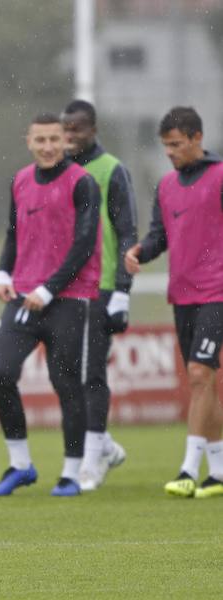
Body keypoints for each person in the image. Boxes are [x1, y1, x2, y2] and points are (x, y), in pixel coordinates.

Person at [0, 112, 101, 498]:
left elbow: (84, 245)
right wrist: (3, 274)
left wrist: (50, 289)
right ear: (29, 141)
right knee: (0, 373)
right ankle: (21, 465)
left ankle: (71, 473)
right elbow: (13, 234)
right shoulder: (20, 180)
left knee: (65, 382)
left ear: (65, 141)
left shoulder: (83, 183)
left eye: (55, 139)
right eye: (41, 140)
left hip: (68, 298)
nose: (49, 146)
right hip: (24, 296)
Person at [125, 106, 223, 499]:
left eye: (176, 145)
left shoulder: (219, 177)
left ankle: (187, 468)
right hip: (182, 294)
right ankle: (217, 473)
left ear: (197, 139)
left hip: (217, 291)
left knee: (200, 375)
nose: (170, 152)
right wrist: (140, 252)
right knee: (204, 382)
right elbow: (159, 235)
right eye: (165, 146)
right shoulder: (166, 186)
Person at [61, 99, 137, 491]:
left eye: (76, 129)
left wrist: (122, 291)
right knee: (68, 373)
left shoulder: (111, 171)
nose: (69, 135)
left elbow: (126, 231)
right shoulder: (61, 172)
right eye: (65, 129)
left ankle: (91, 462)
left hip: (101, 284)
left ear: (92, 129)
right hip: (64, 288)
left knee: (92, 372)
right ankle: (102, 442)